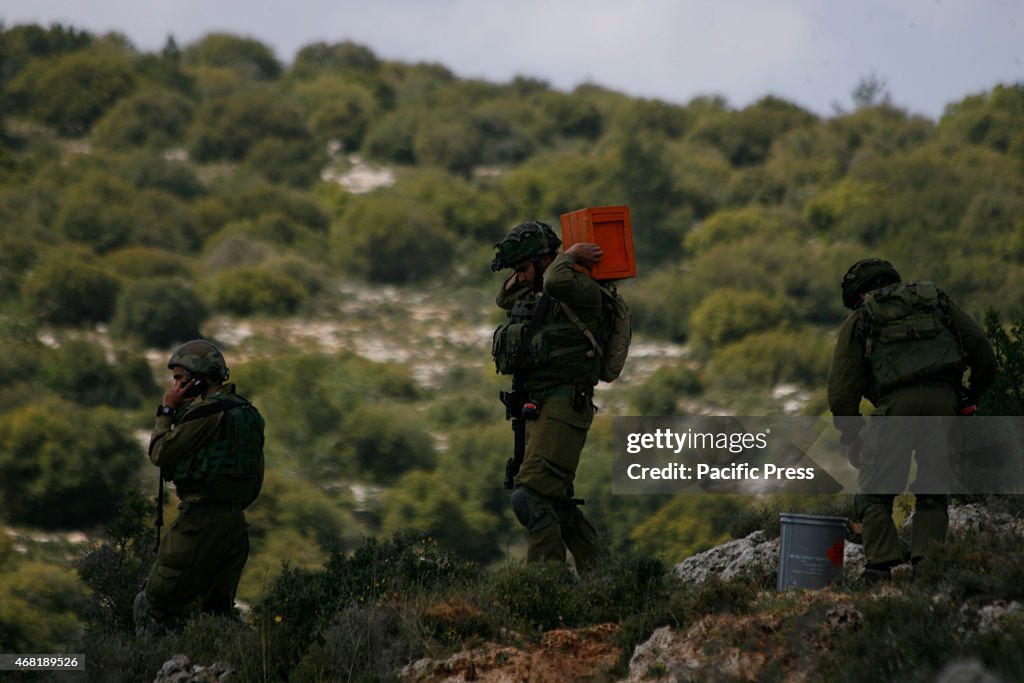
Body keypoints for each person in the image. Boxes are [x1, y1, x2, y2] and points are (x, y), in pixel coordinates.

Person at [827, 258, 996, 583]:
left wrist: (851, 436)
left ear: (859, 294)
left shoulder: (861, 319)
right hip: (944, 404)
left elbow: (842, 392)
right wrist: (970, 395)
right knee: (934, 490)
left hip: (894, 410)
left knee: (875, 494)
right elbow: (983, 353)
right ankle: (929, 567)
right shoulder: (935, 302)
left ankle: (880, 569)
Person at [491, 220, 609, 572]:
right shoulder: (547, 288)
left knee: (530, 498)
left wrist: (568, 256)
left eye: (526, 269)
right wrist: (529, 271)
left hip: (564, 404)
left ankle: (545, 589)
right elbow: (504, 297)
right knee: (555, 502)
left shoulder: (580, 288)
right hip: (542, 405)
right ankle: (602, 578)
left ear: (546, 260)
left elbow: (557, 279)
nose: (522, 278)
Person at [134, 339, 265, 636]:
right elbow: (255, 479)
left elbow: (160, 453)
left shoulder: (206, 413)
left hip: (200, 523)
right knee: (219, 616)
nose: (176, 385)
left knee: (151, 608)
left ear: (198, 378)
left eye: (180, 379)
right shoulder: (247, 413)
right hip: (235, 526)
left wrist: (166, 410)